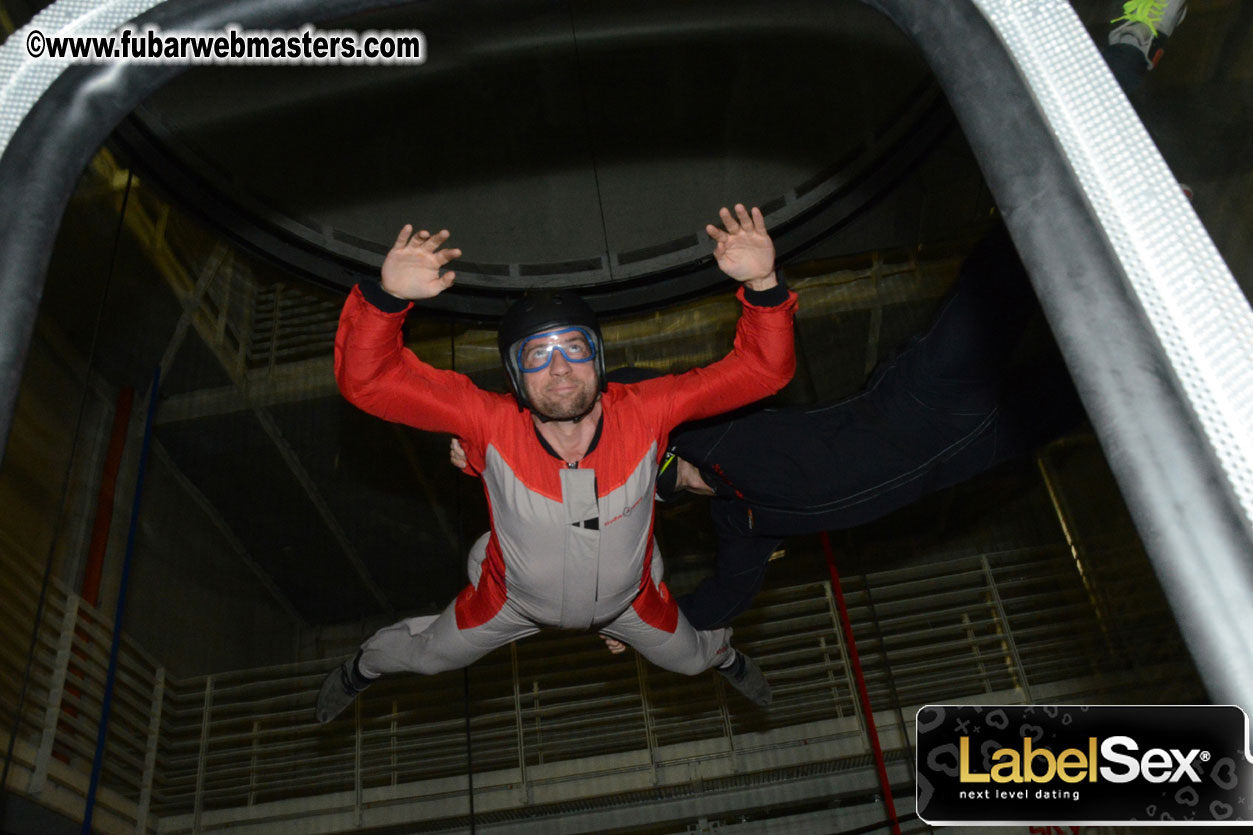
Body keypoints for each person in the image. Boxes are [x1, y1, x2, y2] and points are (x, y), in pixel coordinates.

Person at [315, 205, 797, 723]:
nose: (560, 368)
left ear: (599, 358)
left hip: (627, 600)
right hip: (512, 599)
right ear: (515, 377)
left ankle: (726, 655)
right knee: (428, 658)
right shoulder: (489, 422)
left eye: (574, 347)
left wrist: (765, 286)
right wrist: (387, 300)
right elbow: (368, 382)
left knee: (690, 661)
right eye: (537, 355)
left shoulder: (647, 410)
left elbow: (762, 371)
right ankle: (362, 667)